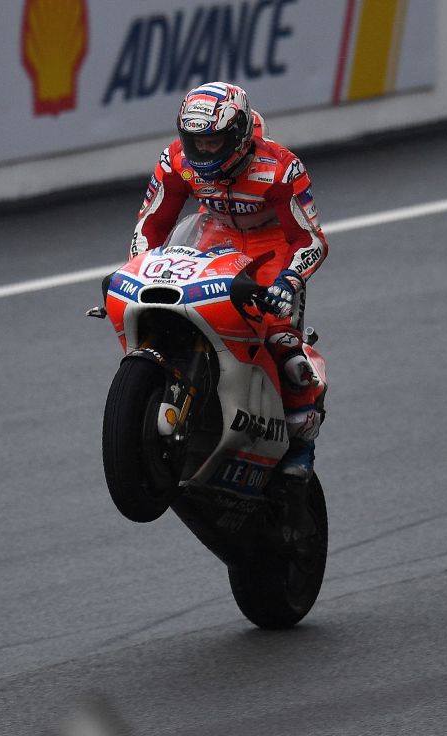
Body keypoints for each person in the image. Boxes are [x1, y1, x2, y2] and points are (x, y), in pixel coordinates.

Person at [131, 81, 328, 480]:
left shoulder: (281, 168)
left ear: (237, 135)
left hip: (270, 250)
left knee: (286, 352)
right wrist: (139, 269)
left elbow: (309, 239)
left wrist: (288, 281)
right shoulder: (174, 160)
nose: (202, 151)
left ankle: (301, 448)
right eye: (195, 141)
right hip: (211, 238)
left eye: (214, 142)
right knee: (162, 302)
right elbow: (150, 225)